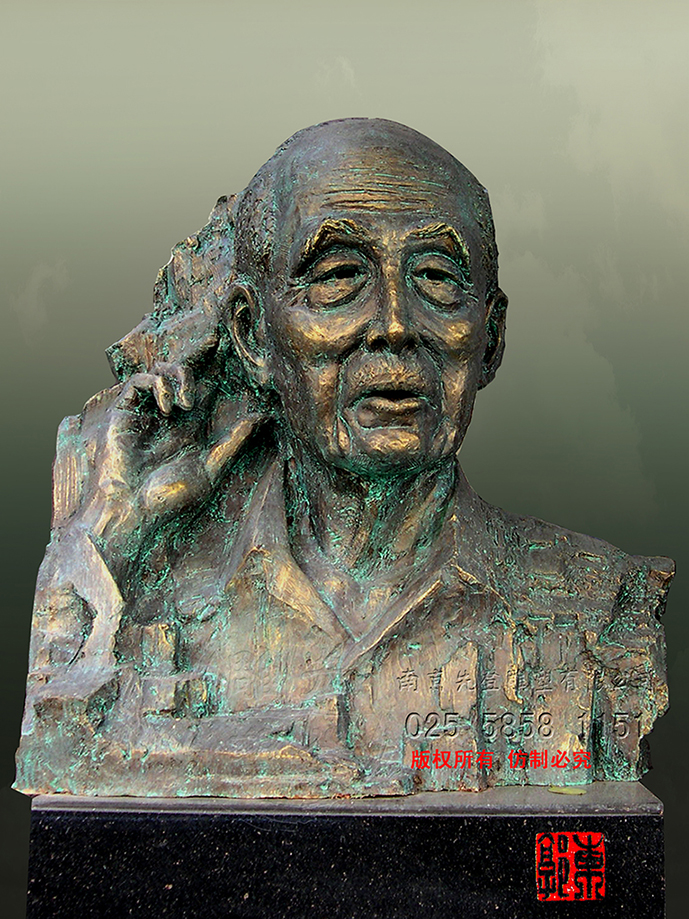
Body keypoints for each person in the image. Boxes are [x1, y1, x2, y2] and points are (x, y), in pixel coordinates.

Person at [15, 119, 673, 797]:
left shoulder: (599, 606)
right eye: (338, 277)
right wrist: (100, 544)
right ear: (252, 334)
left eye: (436, 277)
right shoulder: (139, 595)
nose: (395, 324)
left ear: (490, 337)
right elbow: (60, 747)